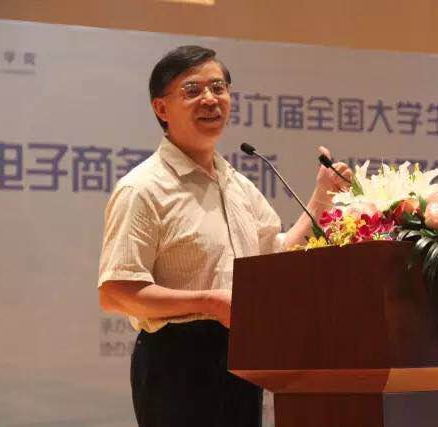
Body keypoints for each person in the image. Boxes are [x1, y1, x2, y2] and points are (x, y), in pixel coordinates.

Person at [97, 45, 351, 427]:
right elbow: (116, 291)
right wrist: (210, 302)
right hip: (177, 362)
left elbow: (276, 256)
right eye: (193, 90)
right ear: (161, 109)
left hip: (242, 356)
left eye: (218, 88)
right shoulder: (143, 188)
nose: (210, 99)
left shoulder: (238, 185)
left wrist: (322, 197)